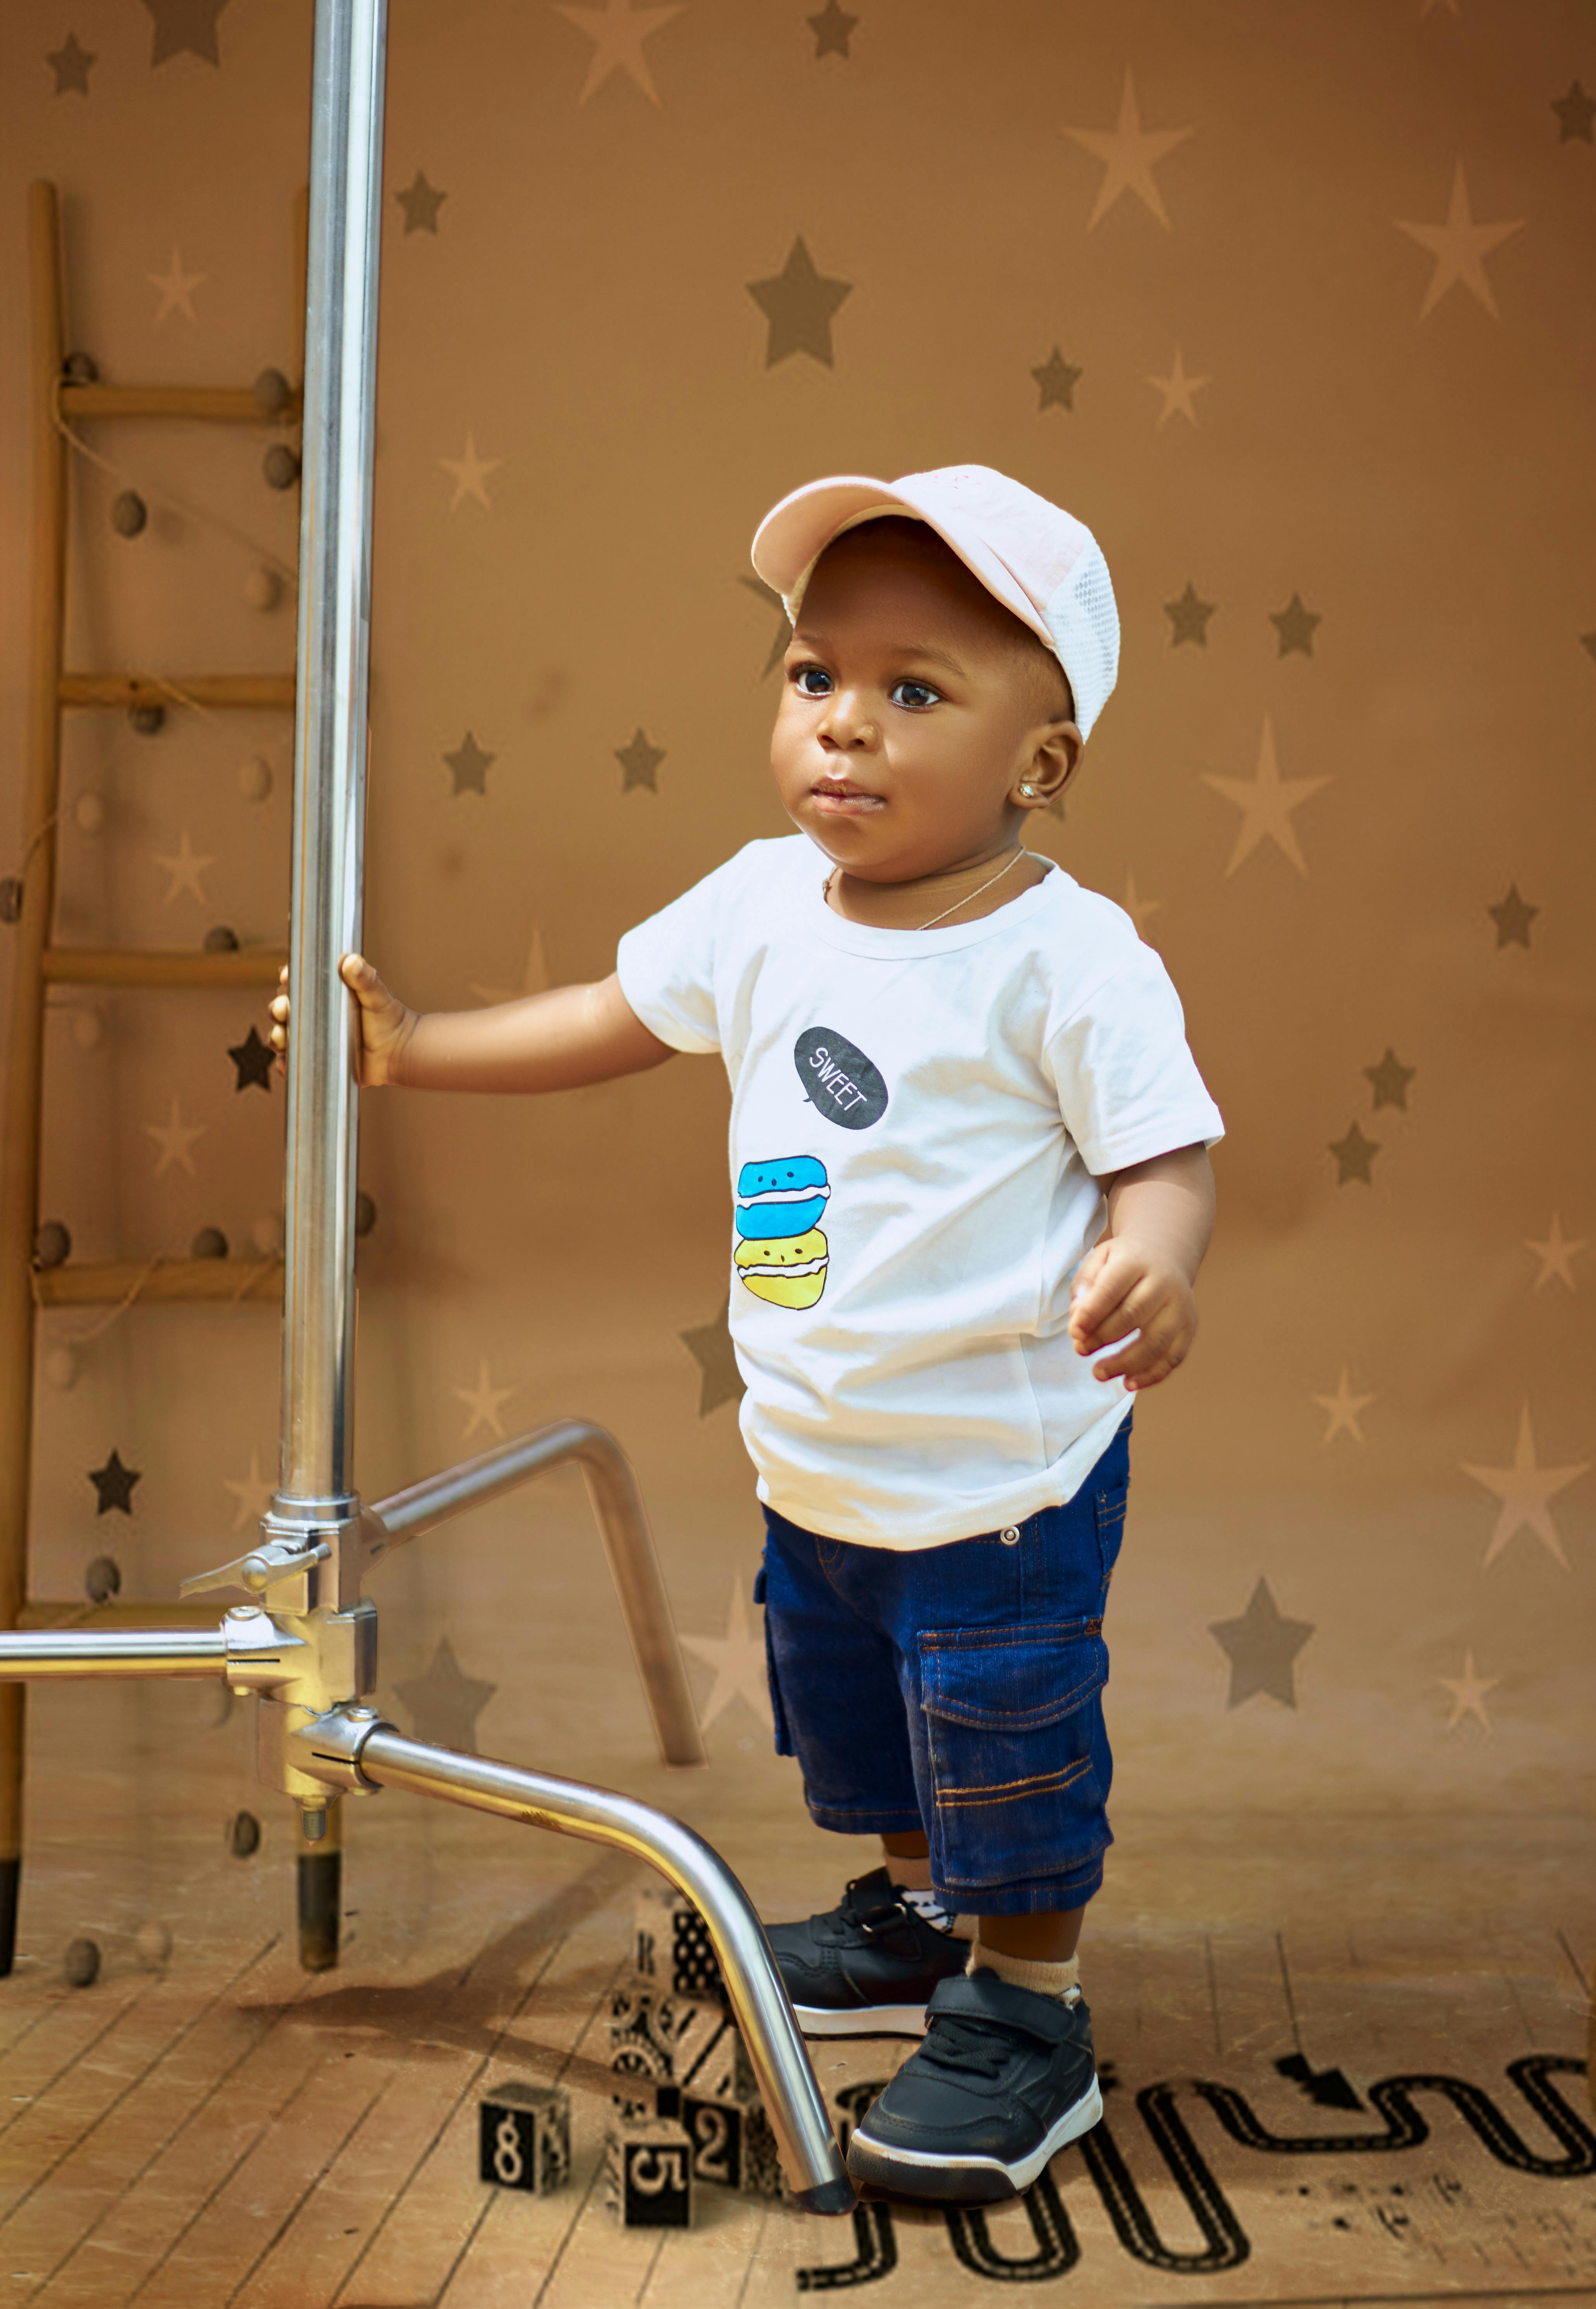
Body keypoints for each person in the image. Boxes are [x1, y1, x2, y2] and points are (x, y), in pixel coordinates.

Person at [270, 465, 1221, 2205]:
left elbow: (1166, 1151)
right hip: (821, 1453)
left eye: (913, 692)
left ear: (1042, 760)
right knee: (864, 1724)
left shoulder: (1067, 961)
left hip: (1000, 1474)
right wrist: (415, 1049)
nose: (843, 728)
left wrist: (1152, 1257)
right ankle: (924, 1917)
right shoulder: (761, 900)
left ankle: (1029, 2007)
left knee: (1006, 1738)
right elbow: (611, 1016)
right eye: (811, 677)